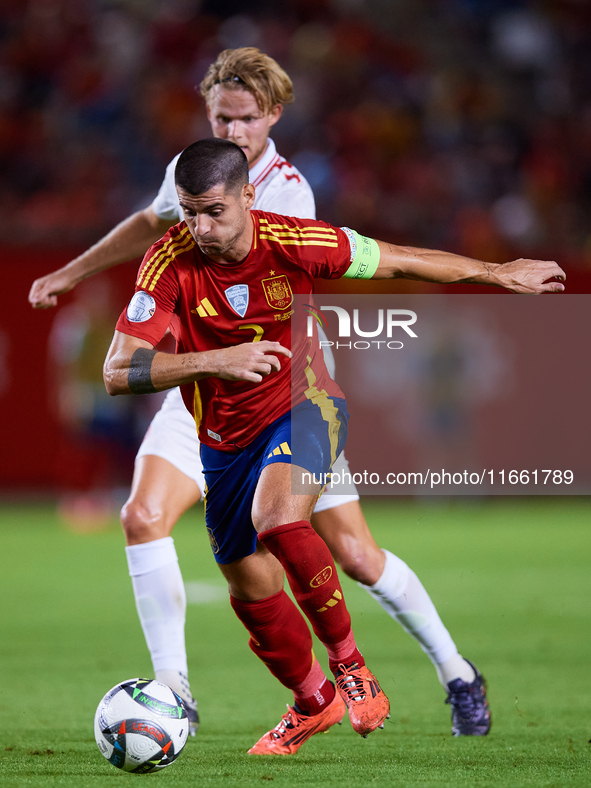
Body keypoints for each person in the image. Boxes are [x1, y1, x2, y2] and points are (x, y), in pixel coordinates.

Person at [30, 48, 534, 740]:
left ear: (269, 118)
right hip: (205, 392)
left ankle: (451, 672)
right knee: (162, 526)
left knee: (347, 552)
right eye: (219, 118)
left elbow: (395, 259)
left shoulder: (286, 202)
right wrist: (74, 269)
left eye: (243, 120)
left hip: (290, 388)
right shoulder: (191, 185)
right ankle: (192, 691)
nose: (231, 131)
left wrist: (496, 272)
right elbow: (152, 233)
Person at [103, 138, 564, 754]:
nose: (200, 227)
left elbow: (399, 260)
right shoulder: (168, 261)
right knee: (250, 585)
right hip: (221, 438)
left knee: (279, 519)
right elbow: (117, 371)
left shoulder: (295, 241)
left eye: (213, 210)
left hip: (307, 408)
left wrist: (495, 273)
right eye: (188, 211)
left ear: (248, 195)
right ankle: (313, 700)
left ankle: (351, 665)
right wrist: (217, 360)